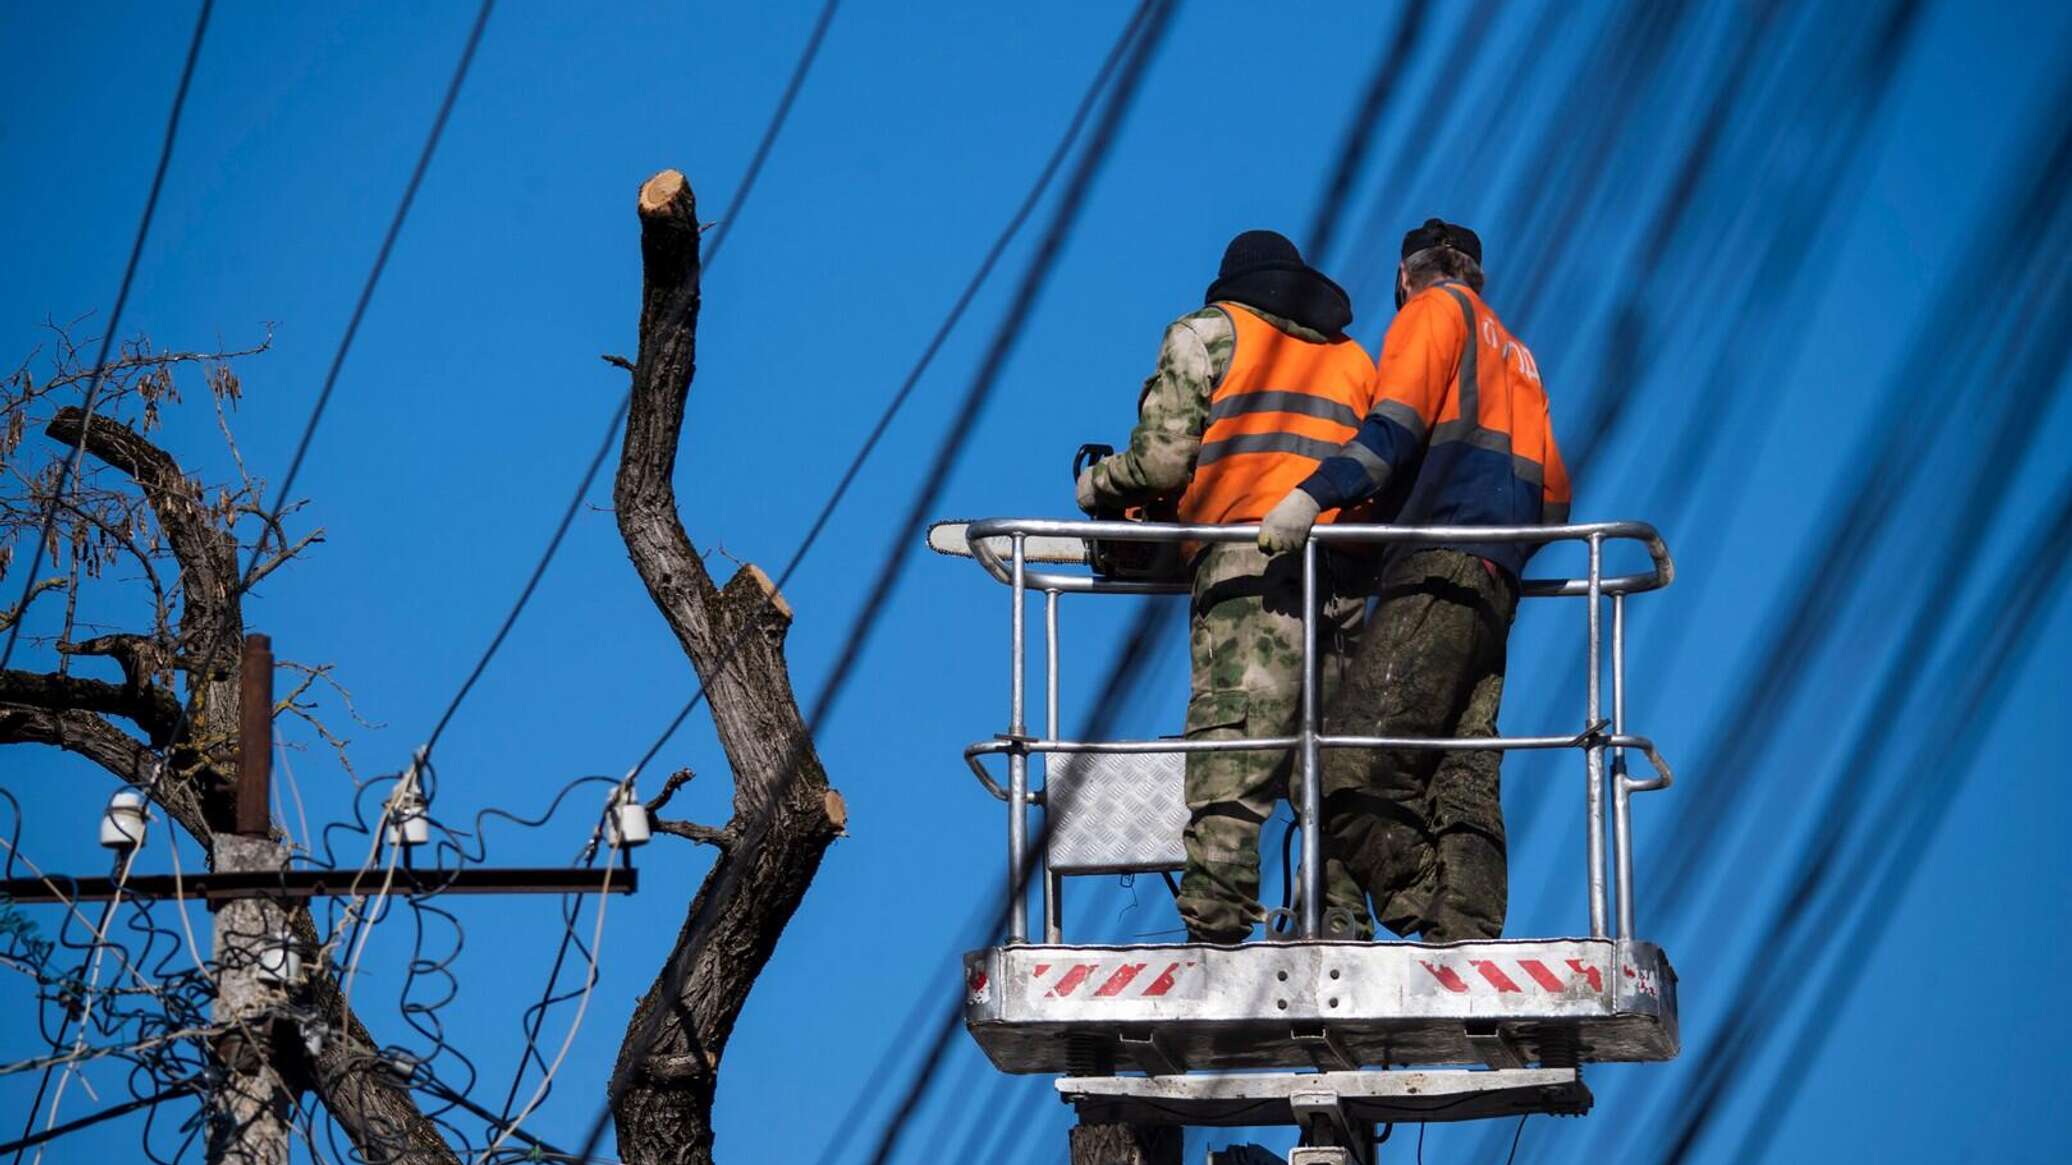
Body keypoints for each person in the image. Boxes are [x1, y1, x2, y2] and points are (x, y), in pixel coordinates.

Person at [1257, 218, 1572, 942]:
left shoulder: (1433, 314)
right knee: (1462, 767)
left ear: (1405, 276)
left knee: (1344, 769)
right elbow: (1554, 493)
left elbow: (1391, 433)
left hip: (1439, 565)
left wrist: (1312, 496)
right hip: (1498, 579)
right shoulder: (1519, 356)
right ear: (1477, 273)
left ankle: (1420, 903)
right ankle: (1467, 926)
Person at [1076, 229, 1379, 943]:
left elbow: (1161, 463)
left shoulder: (1208, 334)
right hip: (1341, 580)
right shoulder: (1353, 362)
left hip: (1249, 575)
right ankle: (1340, 921)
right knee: (1330, 771)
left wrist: (1097, 485)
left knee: (1232, 754)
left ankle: (1216, 924)